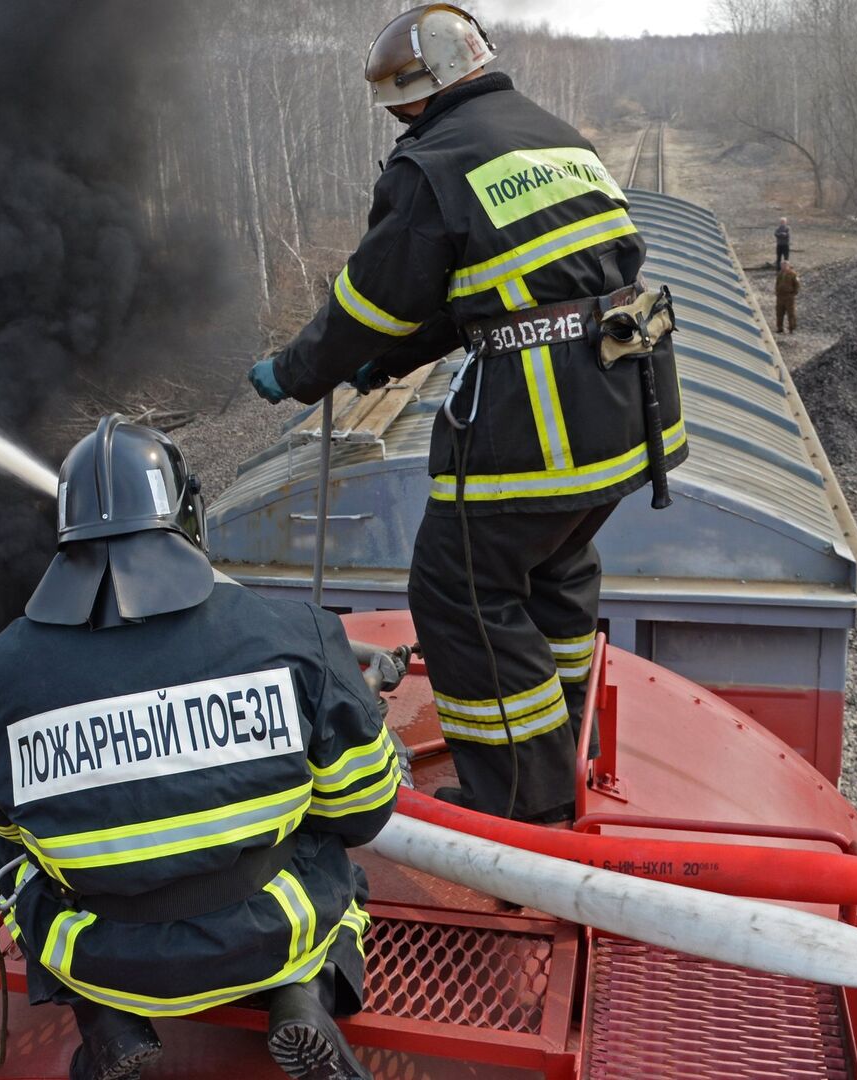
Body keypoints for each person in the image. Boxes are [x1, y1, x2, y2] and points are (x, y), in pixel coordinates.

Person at [244, 4, 684, 824]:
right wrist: (397, 359)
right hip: (624, 410)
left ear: (419, 94)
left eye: (399, 105)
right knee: (551, 571)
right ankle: (566, 750)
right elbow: (515, 284)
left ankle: (521, 802)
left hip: (537, 426)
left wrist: (300, 370)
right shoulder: (555, 138)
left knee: (461, 594)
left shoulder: (433, 164)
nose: (400, 120)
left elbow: (371, 301)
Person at [0, 416, 398, 1080]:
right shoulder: (293, 635)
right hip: (272, 934)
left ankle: (110, 1025)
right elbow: (365, 812)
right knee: (337, 864)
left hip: (100, 955)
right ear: (189, 513)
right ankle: (306, 997)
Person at [776, 260, 800, 334]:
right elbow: (777, 283)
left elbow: (797, 284)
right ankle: (780, 328)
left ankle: (792, 328)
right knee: (779, 312)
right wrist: (777, 292)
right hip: (780, 296)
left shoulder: (793, 274)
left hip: (789, 296)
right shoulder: (780, 274)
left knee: (790, 312)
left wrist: (793, 293)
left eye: (785, 265)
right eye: (782, 266)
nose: (783, 267)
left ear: (788, 266)